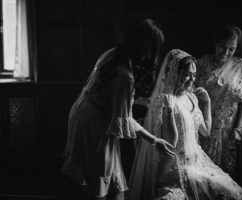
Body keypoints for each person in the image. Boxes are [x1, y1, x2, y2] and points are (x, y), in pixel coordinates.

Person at [61, 19, 175, 200]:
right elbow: (125, 121)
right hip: (97, 122)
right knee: (103, 172)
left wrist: (134, 101)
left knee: (100, 172)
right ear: (147, 48)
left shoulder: (112, 54)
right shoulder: (125, 76)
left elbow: (107, 92)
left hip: (83, 112)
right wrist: (154, 140)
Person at [127, 49, 242, 200]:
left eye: (194, 74)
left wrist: (206, 104)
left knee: (238, 194)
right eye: (187, 74)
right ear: (174, 74)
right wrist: (170, 112)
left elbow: (205, 131)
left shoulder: (192, 97)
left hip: (198, 162)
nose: (192, 79)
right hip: (175, 166)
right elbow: (170, 144)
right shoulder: (165, 101)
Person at [196, 25, 242, 178]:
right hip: (203, 127)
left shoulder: (240, 67)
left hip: (228, 133)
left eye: (231, 49)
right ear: (215, 43)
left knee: (226, 176)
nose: (226, 52)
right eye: (222, 47)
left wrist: (238, 129)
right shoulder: (201, 64)